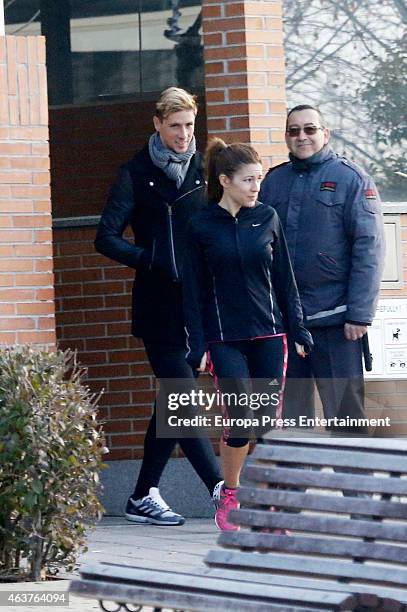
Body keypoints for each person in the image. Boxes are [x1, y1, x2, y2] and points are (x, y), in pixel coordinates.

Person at [95, 87, 222, 526]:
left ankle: (141, 494)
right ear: (157, 124)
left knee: (172, 401)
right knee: (184, 399)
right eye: (175, 126)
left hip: (200, 307)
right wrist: (150, 258)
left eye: (189, 125)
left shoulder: (208, 173)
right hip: (158, 306)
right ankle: (222, 492)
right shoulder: (135, 172)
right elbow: (105, 236)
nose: (184, 135)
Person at [183, 139, 313, 531]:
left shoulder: (267, 217)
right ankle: (232, 493)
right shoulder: (201, 225)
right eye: (249, 179)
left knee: (270, 424)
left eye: (259, 178)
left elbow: (285, 280)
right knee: (239, 418)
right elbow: (192, 290)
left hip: (271, 336)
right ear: (225, 181)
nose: (256, 186)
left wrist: (299, 329)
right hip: (224, 339)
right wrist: (198, 343)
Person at [259, 104, 385, 432]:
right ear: (286, 136)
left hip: (337, 323)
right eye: (294, 130)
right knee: (291, 424)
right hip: (287, 324)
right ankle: (292, 486)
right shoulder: (273, 182)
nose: (302, 136)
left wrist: (359, 314)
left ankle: (356, 486)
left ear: (325, 133)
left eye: (310, 129)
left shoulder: (351, 179)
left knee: (346, 421)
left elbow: (368, 250)